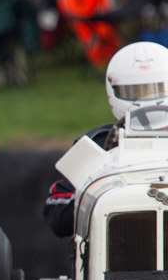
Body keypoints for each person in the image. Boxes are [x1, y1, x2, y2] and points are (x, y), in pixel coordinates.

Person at [43, 41, 168, 237]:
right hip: (121, 249)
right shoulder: (97, 145)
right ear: (114, 92)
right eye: (136, 92)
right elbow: (56, 213)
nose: (146, 99)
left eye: (155, 89)